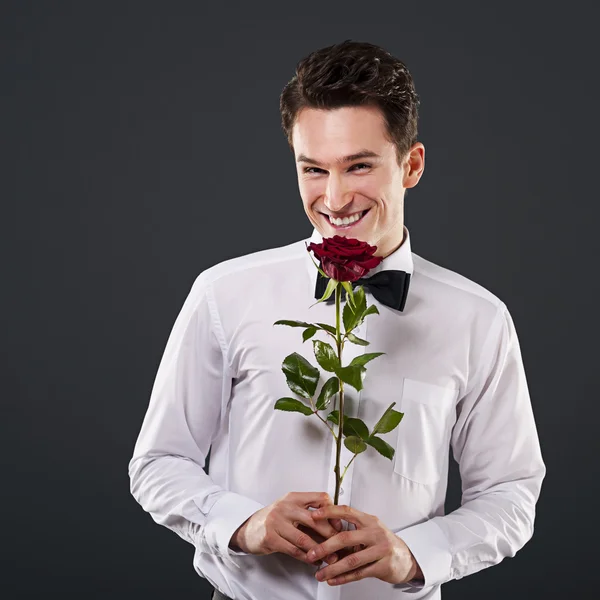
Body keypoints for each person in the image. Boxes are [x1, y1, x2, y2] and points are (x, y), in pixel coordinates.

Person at [128, 40, 546, 600]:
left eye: (360, 166)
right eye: (314, 169)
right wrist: (240, 522)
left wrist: (415, 554)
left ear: (411, 165)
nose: (335, 196)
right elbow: (158, 463)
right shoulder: (223, 293)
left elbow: (512, 495)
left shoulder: (480, 319)